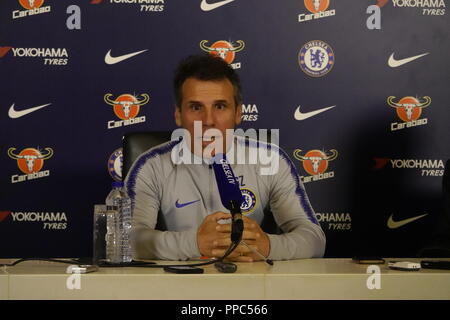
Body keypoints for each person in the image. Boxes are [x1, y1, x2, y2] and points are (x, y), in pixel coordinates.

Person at [125, 54, 325, 261]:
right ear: (178, 115)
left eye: (220, 106)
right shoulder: (151, 165)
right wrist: (194, 244)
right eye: (196, 107)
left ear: (238, 113)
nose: (208, 120)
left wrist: (267, 246)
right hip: (180, 287)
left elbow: (314, 239)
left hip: (252, 286)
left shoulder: (270, 160)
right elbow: (125, 241)